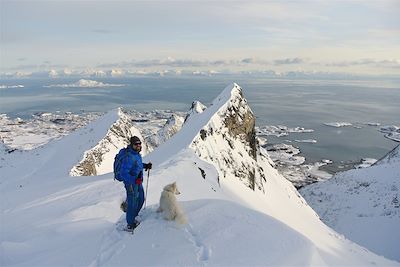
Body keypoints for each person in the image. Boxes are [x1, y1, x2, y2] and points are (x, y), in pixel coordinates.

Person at [120, 136, 152, 230]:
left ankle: (133, 216)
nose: (138, 146)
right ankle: (130, 224)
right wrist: (134, 180)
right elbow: (123, 173)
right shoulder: (129, 157)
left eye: (139, 144)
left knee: (141, 199)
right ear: (132, 145)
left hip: (138, 182)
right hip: (131, 183)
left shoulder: (136, 154)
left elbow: (137, 165)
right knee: (132, 203)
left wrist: (145, 165)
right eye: (136, 144)